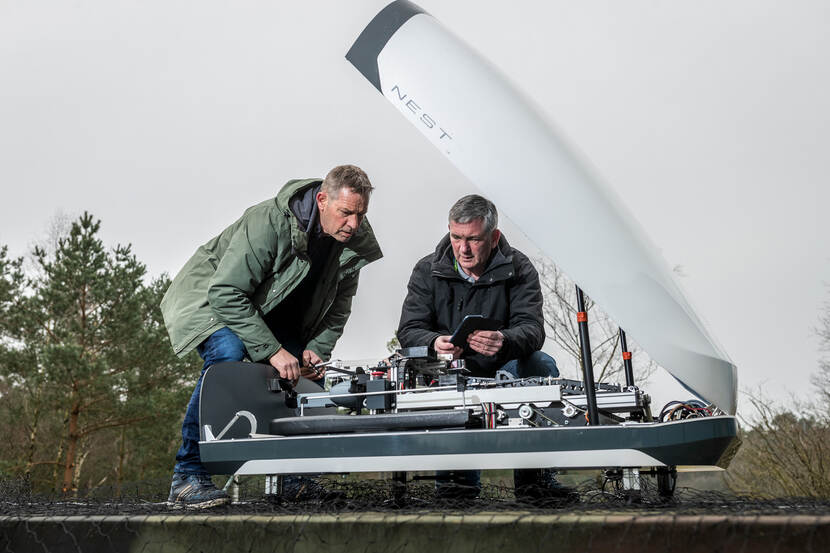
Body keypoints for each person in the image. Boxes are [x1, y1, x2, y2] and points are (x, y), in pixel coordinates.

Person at [161, 165, 382, 508]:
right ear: (322, 200)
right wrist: (273, 350)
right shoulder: (268, 221)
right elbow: (226, 292)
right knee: (228, 355)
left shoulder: (353, 243)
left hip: (270, 312)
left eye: (360, 214)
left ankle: (292, 478)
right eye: (346, 213)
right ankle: (187, 476)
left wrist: (316, 349)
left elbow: (339, 309)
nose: (353, 224)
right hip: (213, 299)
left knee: (304, 380)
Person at [397, 194, 572, 502]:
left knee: (541, 365)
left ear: (494, 237)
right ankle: (455, 487)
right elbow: (409, 330)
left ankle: (535, 482)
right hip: (451, 371)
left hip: (507, 367)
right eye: (457, 237)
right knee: (455, 498)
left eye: (474, 239)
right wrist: (435, 343)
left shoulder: (520, 268)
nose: (463, 248)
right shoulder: (427, 270)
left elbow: (532, 329)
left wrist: (503, 340)